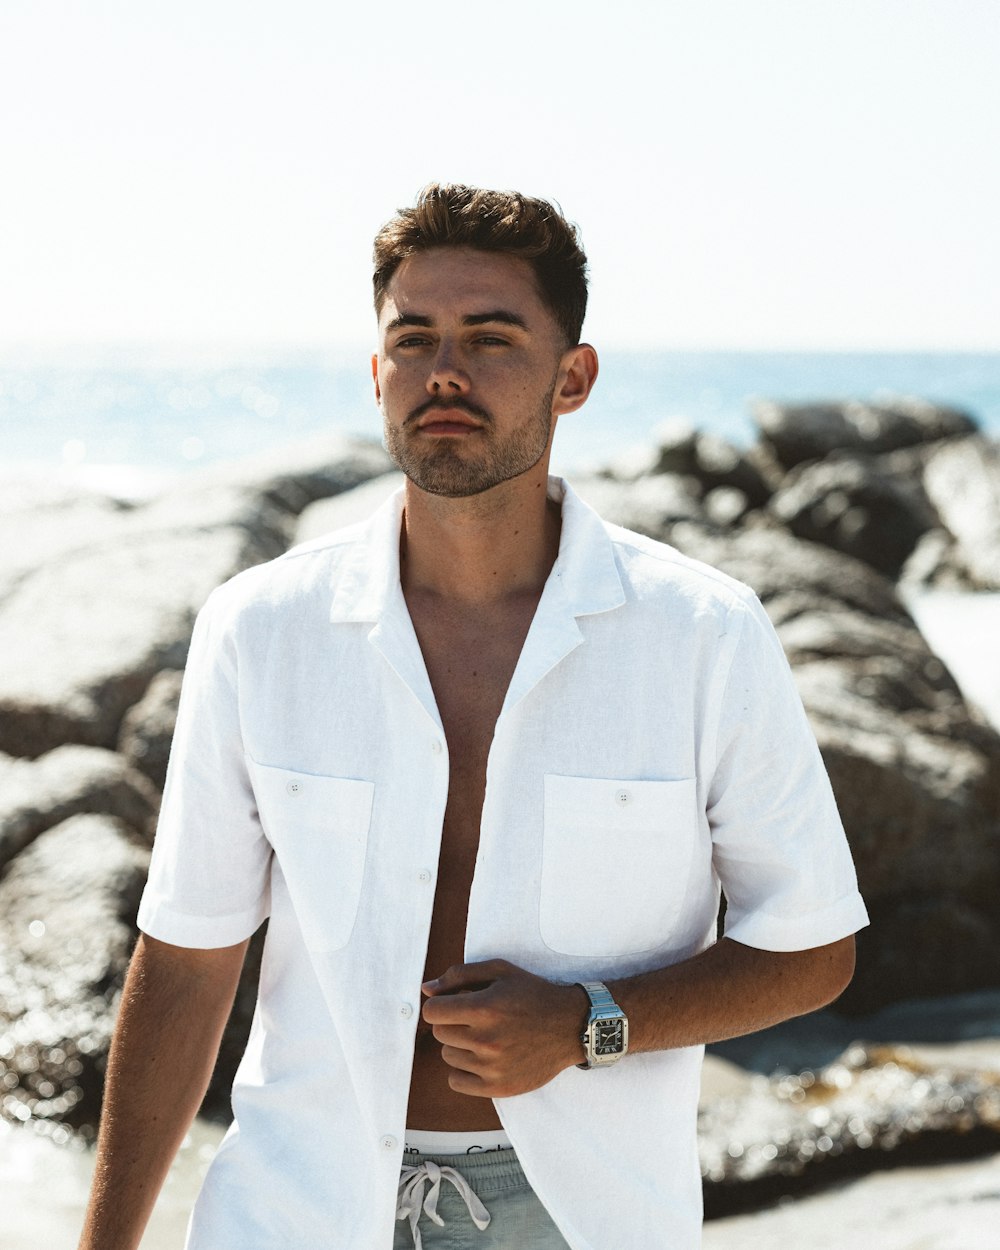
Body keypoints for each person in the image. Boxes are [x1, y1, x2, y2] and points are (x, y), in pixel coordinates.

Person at [78, 184, 868, 1250]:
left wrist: (590, 1023)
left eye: (491, 337)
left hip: (579, 1212)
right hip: (298, 1199)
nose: (444, 370)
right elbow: (186, 956)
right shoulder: (261, 628)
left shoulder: (700, 635)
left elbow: (812, 945)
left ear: (572, 376)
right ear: (376, 375)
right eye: (414, 339)